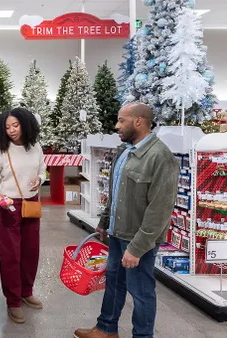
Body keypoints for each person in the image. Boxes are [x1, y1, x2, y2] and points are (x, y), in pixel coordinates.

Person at [74, 102, 180, 338]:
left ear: (139, 121)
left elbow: (160, 210)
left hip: (138, 240)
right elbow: (116, 194)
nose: (117, 125)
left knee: (141, 292)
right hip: (117, 233)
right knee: (114, 283)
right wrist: (104, 222)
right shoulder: (124, 152)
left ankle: (142, 335)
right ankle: (106, 329)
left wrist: (138, 248)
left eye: (122, 120)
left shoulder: (161, 158)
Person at [0, 107, 47, 324]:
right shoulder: (0, 151)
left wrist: (39, 180)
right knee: (10, 255)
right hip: (8, 206)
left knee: (31, 251)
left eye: (16, 125)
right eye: (7, 127)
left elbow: (42, 170)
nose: (12, 130)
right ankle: (13, 301)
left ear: (26, 124)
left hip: (31, 205)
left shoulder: (35, 147)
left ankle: (26, 291)